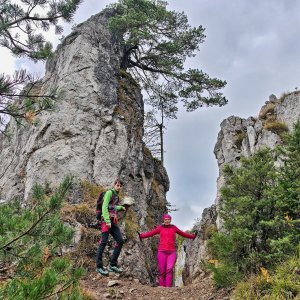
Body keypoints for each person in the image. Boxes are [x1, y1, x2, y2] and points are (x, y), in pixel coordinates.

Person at [138, 214, 197, 287]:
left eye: (168, 219)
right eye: (166, 219)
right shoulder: (160, 228)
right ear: (164, 220)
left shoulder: (174, 228)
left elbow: (182, 233)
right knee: (162, 270)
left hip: (172, 252)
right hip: (162, 251)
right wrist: (141, 236)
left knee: (169, 268)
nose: (167, 221)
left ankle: (168, 288)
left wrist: (192, 236)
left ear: (170, 220)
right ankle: (162, 287)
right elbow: (151, 233)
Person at [96, 179, 126, 276]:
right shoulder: (109, 193)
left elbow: (112, 206)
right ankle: (99, 267)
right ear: (114, 185)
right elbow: (104, 206)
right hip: (106, 220)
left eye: (120, 186)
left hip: (113, 221)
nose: (119, 187)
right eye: (117, 185)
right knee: (103, 242)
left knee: (120, 241)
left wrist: (120, 207)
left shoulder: (116, 195)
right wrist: (107, 220)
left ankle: (113, 265)